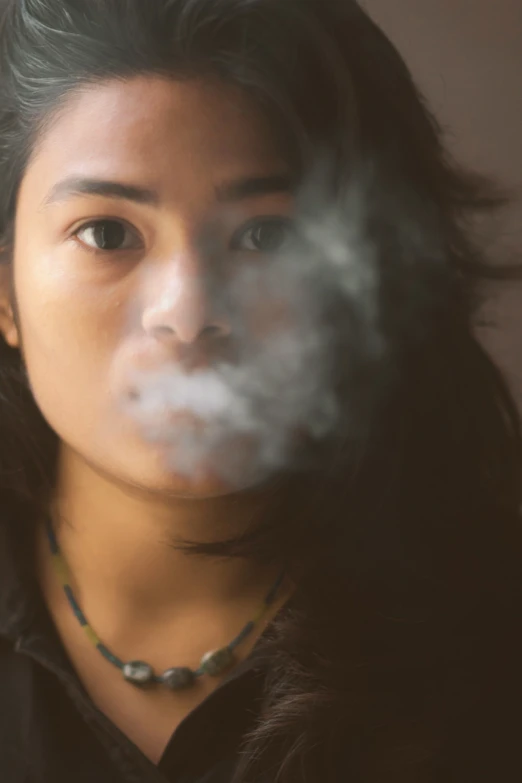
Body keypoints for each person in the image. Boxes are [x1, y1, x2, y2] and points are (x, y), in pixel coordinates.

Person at [0, 0, 521, 780]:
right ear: (4, 289)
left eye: (266, 234)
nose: (190, 311)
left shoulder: (492, 640)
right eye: (108, 233)